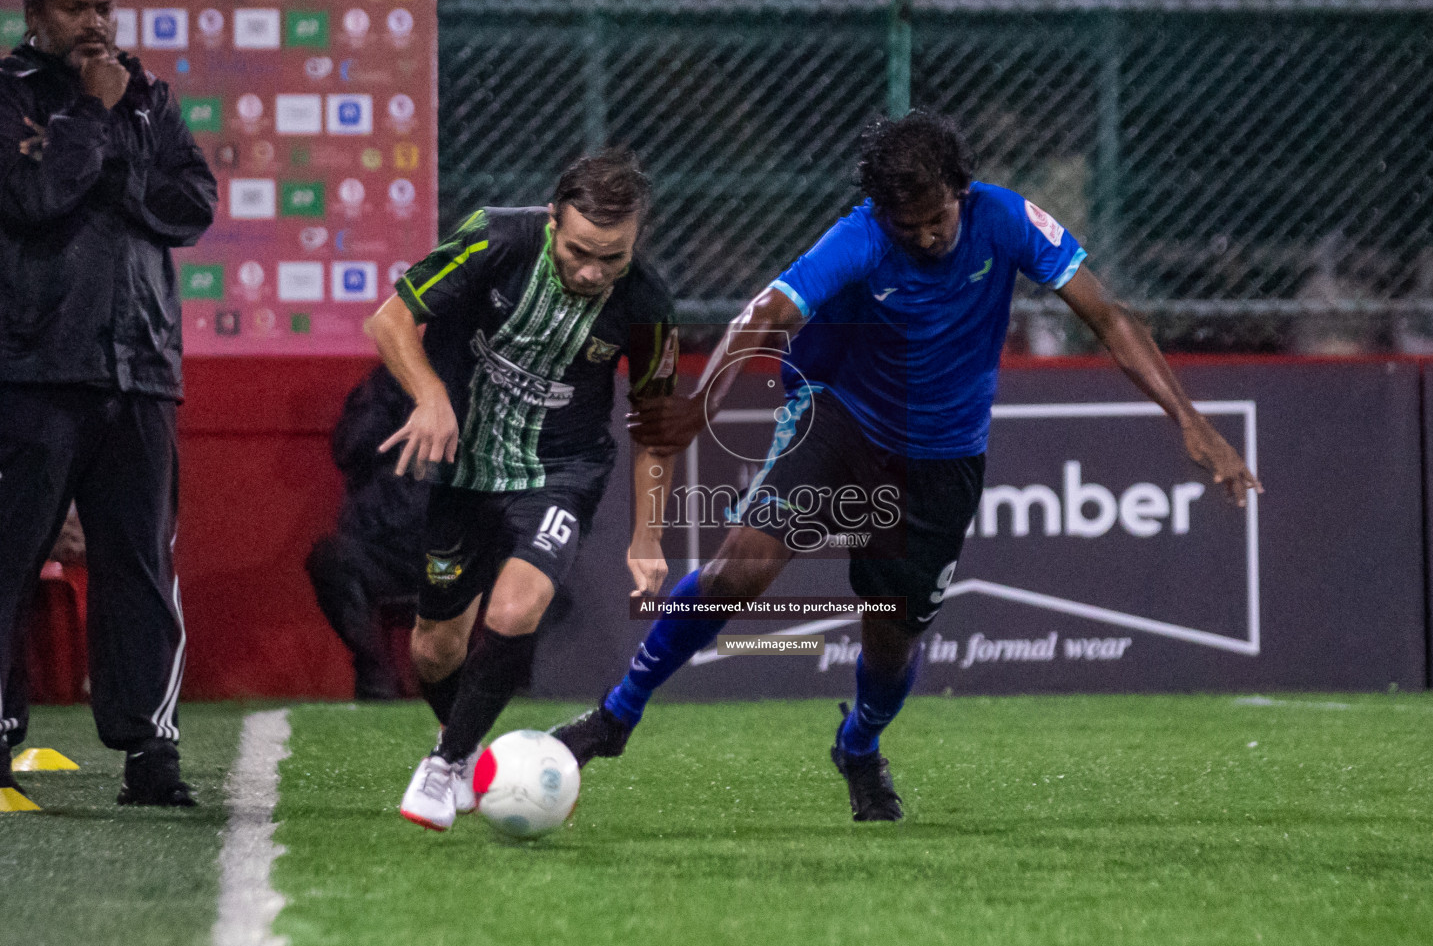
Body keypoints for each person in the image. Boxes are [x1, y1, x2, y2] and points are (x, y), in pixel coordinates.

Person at [551, 110, 1263, 821]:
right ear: (881, 212)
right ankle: (616, 717)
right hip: (840, 424)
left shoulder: (1006, 219)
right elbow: (764, 315)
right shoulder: (861, 235)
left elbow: (1106, 313)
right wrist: (704, 405)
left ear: (962, 191)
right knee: (739, 567)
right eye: (907, 225)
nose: (924, 237)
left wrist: (1190, 419)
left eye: (937, 221)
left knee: (890, 643)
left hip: (942, 459)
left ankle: (859, 746)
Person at [365, 148, 680, 832]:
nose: (593, 271)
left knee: (514, 609)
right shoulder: (494, 237)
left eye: (613, 258)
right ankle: (476, 754)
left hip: (560, 471)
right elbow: (390, 317)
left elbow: (656, 427)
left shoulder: (648, 304)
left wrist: (648, 535)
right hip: (465, 467)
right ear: (550, 220)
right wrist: (431, 396)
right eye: (579, 252)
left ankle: (445, 764)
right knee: (433, 648)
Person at [0, 0, 216, 809]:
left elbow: (191, 204)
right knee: (10, 560)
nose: (95, 24)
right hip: (35, 366)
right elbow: (30, 197)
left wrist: (106, 160)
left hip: (144, 366)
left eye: (105, 8)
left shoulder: (148, 95)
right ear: (35, 15)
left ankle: (149, 752)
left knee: (139, 565)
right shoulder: (9, 93)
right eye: (76, 9)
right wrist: (92, 118)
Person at [306, 365, 430, 701]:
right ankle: (377, 673)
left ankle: (489, 681)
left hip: (452, 551)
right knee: (330, 559)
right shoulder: (384, 384)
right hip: (383, 551)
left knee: (520, 558)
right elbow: (348, 448)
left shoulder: (477, 381)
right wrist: (400, 396)